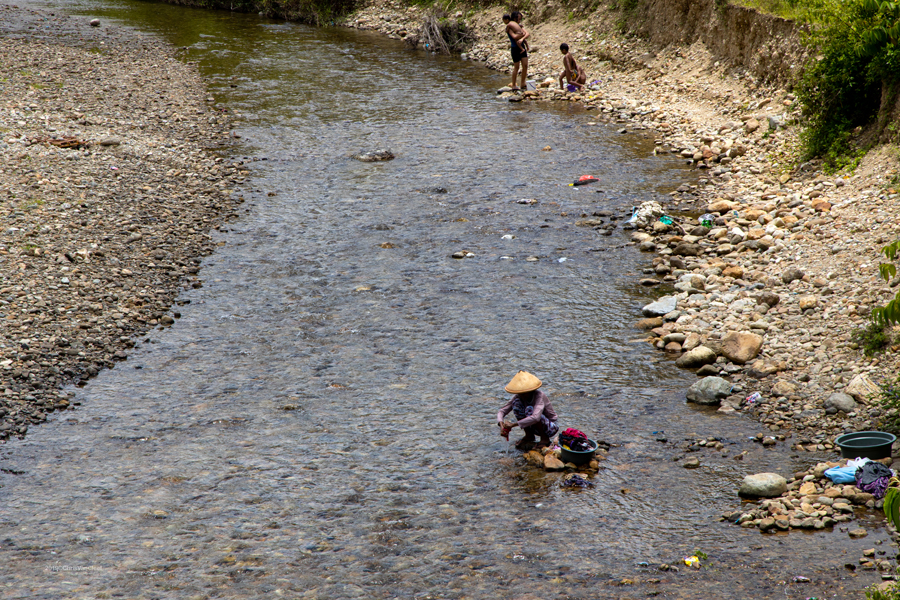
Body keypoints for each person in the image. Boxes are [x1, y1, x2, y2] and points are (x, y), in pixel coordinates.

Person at [497, 370, 559, 450]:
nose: (522, 396)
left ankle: (544, 439)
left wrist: (513, 424)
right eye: (521, 393)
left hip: (550, 427)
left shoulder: (539, 396)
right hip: (533, 425)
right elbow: (502, 411)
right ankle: (529, 435)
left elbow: (536, 417)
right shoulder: (518, 397)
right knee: (516, 404)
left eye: (525, 393)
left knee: (529, 410)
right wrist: (502, 425)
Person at [504, 12, 529, 90]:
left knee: (525, 65)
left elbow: (527, 33)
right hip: (515, 48)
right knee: (516, 67)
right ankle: (514, 85)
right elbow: (514, 36)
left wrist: (522, 38)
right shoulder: (510, 27)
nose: (520, 20)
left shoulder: (518, 26)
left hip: (521, 46)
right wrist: (522, 35)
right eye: (519, 19)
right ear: (514, 18)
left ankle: (522, 83)